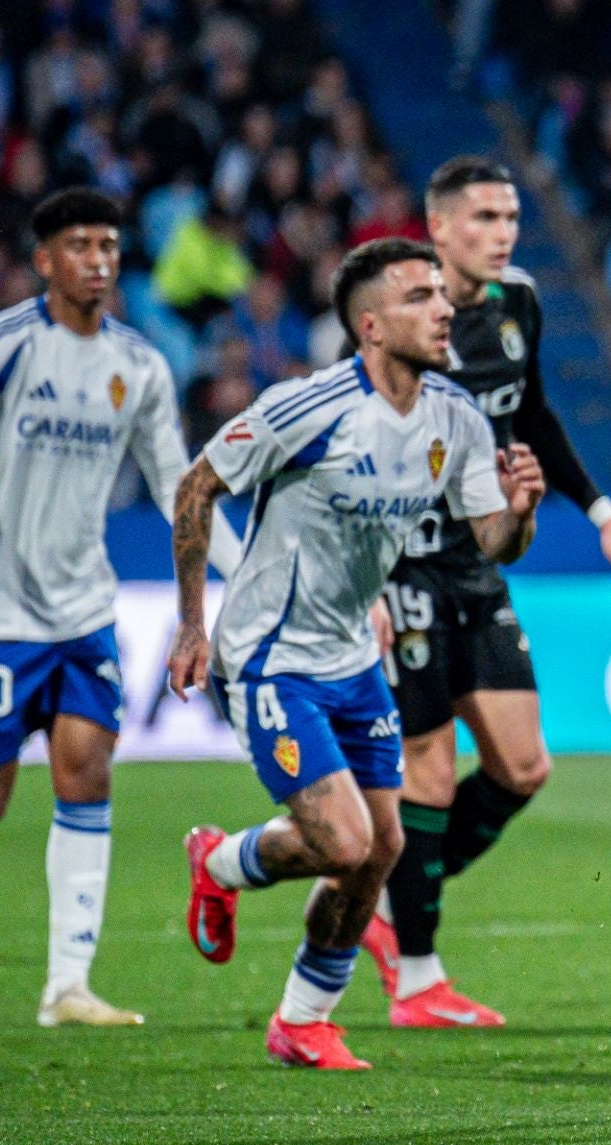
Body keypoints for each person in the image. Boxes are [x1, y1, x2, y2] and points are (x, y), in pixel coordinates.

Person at [0, 188, 240, 1028]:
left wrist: (243, 574)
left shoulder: (138, 366)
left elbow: (185, 486)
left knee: (86, 772)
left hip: (84, 609)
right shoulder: (8, 342)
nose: (99, 259)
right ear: (45, 260)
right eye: (80, 245)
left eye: (108, 244)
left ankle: (67, 985)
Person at [165, 238, 545, 1069]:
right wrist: (194, 624)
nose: (444, 308)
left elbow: (493, 539)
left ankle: (300, 1018)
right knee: (343, 842)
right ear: (370, 325)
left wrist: (520, 512)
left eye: (442, 295)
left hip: (351, 656)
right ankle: (225, 864)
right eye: (419, 297)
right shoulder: (307, 408)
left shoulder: (453, 415)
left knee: (383, 845)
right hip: (269, 656)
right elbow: (198, 486)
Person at [360, 156, 611, 1029]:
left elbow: (535, 413)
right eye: (484, 218)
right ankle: (416, 974)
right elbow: (359, 448)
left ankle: (387, 898)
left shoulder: (518, 301)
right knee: (432, 774)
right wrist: (362, 581)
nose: (503, 233)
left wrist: (600, 511)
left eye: (512, 218)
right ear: (437, 226)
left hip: (477, 558)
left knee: (524, 765)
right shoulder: (399, 314)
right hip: (405, 559)